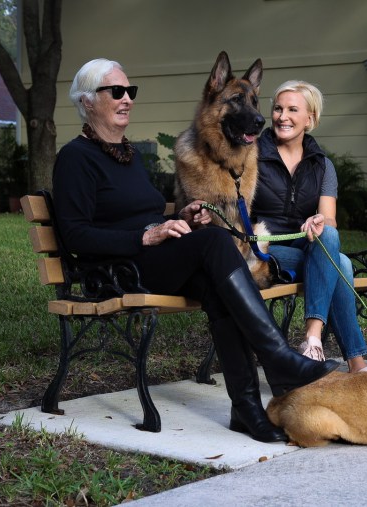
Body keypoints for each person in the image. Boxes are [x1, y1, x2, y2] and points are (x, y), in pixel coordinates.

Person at [52, 59, 339, 443]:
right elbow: (75, 235)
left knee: (217, 285)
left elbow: (143, 213)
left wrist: (181, 215)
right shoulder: (76, 157)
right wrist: (146, 237)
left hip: (150, 260)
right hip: (117, 271)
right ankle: (280, 359)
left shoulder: (129, 155)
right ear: (87, 102)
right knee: (218, 241)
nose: (126, 99)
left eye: (130, 92)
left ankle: (247, 409)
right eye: (115, 92)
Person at [252, 80, 367, 373]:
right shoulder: (251, 155)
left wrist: (318, 220)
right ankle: (354, 361)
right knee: (341, 264)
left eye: (293, 109)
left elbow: (328, 218)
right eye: (278, 109)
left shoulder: (322, 165)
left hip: (302, 244)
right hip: (261, 248)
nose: (283, 116)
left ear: (311, 118)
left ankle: (312, 338)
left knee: (329, 234)